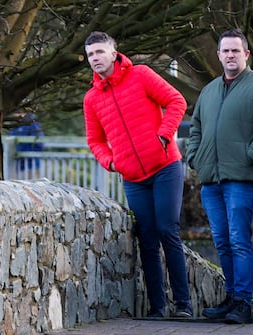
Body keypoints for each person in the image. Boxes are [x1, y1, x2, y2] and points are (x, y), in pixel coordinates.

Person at [83, 31, 193, 319]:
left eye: (100, 52)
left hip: (166, 166)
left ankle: (183, 305)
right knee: (146, 237)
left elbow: (177, 101)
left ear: (113, 53)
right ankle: (157, 307)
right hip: (133, 178)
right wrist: (111, 162)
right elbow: (95, 140)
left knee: (167, 229)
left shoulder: (141, 75)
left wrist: (165, 134)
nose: (95, 58)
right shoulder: (91, 98)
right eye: (90, 54)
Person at [185, 29, 253, 325]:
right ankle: (230, 297)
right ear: (218, 55)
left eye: (235, 51)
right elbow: (196, 128)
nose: (230, 55)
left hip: (241, 177)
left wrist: (250, 155)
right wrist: (195, 157)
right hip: (210, 178)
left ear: (246, 54)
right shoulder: (209, 91)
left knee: (239, 239)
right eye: (225, 51)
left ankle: (243, 302)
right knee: (222, 240)